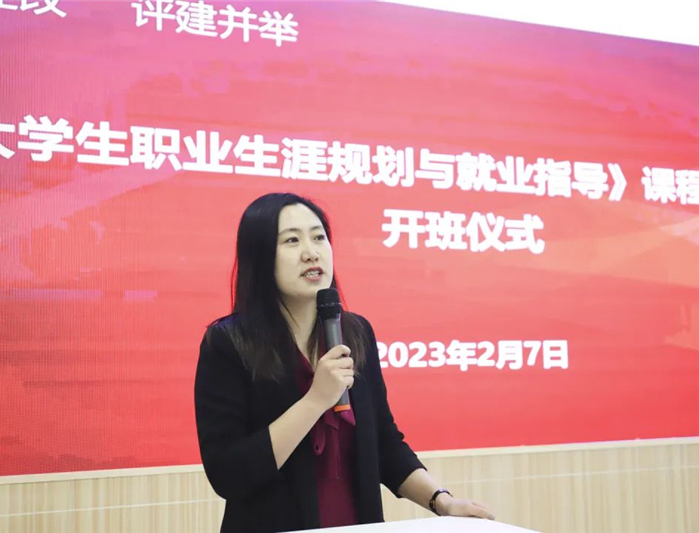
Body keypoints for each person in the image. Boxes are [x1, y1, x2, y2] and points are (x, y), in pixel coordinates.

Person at [194, 192, 494, 532]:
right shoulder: (228, 343)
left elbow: (384, 444)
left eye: (319, 237)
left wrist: (442, 501)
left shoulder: (355, 333)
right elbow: (228, 474)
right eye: (292, 240)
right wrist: (315, 401)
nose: (311, 252)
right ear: (260, 256)